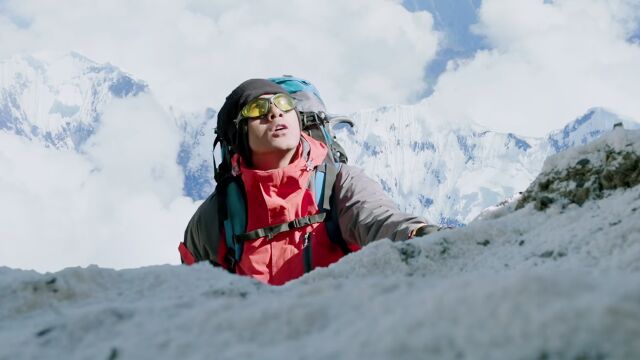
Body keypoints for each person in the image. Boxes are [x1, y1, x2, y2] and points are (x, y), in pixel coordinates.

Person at [179, 78, 439, 285]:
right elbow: (189, 297)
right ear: (238, 134)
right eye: (257, 109)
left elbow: (379, 221)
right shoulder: (216, 216)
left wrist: (420, 234)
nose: (274, 114)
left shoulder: (337, 183)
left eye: (282, 103)